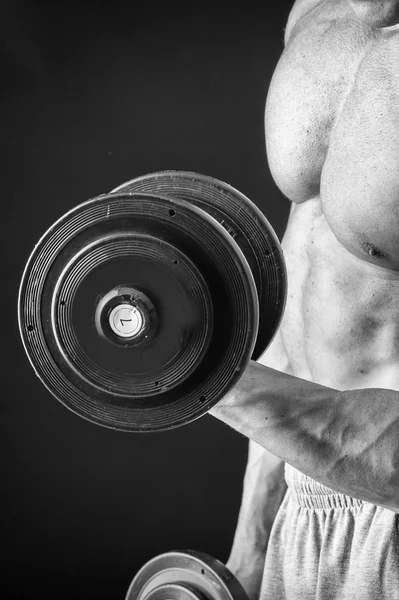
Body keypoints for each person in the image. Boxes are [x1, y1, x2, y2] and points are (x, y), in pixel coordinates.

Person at [209, 1, 399, 599]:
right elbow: (304, 270)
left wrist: (202, 377)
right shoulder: (317, 11)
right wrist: (253, 542)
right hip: (307, 507)